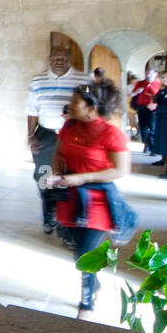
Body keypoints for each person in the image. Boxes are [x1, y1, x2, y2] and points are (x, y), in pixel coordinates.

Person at [47, 81, 131, 313]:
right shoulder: (70, 126)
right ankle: (95, 284)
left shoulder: (111, 134)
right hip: (72, 196)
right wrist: (57, 174)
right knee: (76, 250)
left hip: (98, 200)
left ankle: (86, 304)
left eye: (76, 102)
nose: (70, 105)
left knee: (85, 253)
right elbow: (58, 153)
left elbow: (120, 170)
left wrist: (83, 178)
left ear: (91, 108)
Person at [26, 47, 92, 233]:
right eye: (55, 57)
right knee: (44, 176)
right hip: (46, 135)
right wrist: (31, 136)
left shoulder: (82, 79)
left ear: (70, 59)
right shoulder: (37, 80)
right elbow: (32, 109)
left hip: (73, 135)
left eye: (63, 57)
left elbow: (89, 106)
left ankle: (67, 220)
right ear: (49, 59)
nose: (59, 61)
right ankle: (49, 213)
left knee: (69, 176)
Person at [130, 69, 161, 153]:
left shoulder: (159, 84)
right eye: (147, 74)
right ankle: (146, 144)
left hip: (153, 108)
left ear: (155, 74)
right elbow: (132, 94)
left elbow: (159, 96)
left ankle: (152, 147)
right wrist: (137, 91)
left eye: (150, 74)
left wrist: (151, 92)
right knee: (143, 127)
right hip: (142, 107)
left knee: (153, 127)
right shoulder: (140, 83)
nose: (148, 76)